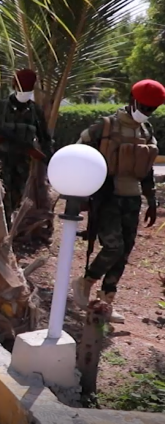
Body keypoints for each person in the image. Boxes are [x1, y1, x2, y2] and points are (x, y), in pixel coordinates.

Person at [72, 79, 162, 324]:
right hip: (107, 196)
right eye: (143, 107)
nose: (146, 112)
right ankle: (85, 282)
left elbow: (147, 168)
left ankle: (106, 301)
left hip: (132, 199)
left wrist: (151, 200)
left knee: (124, 251)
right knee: (114, 247)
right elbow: (79, 154)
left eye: (152, 109)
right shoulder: (105, 126)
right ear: (132, 100)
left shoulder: (146, 131)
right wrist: (82, 193)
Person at [0, 69, 53, 225]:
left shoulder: (35, 111)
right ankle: (1, 228)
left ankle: (8, 227)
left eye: (29, 86)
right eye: (22, 85)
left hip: (22, 164)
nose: (25, 89)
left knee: (16, 199)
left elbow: (45, 139)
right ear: (14, 85)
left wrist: (47, 157)